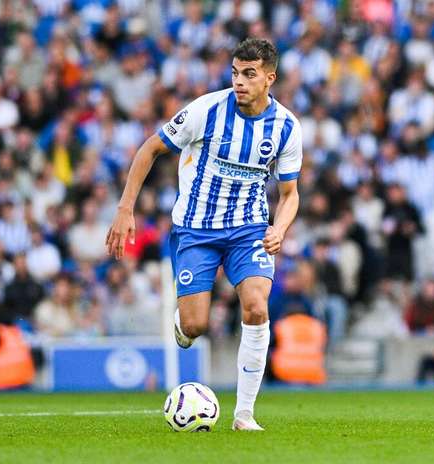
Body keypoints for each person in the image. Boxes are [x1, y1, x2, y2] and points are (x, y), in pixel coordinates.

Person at [106, 38, 302, 432]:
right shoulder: (206, 110)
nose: (239, 81)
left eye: (249, 74)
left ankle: (244, 414)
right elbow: (148, 150)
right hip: (196, 229)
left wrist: (279, 228)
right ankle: (184, 323)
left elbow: (290, 194)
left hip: (249, 229)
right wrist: (125, 208)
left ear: (269, 78)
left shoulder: (286, 127)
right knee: (195, 325)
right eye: (235, 72)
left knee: (257, 307)